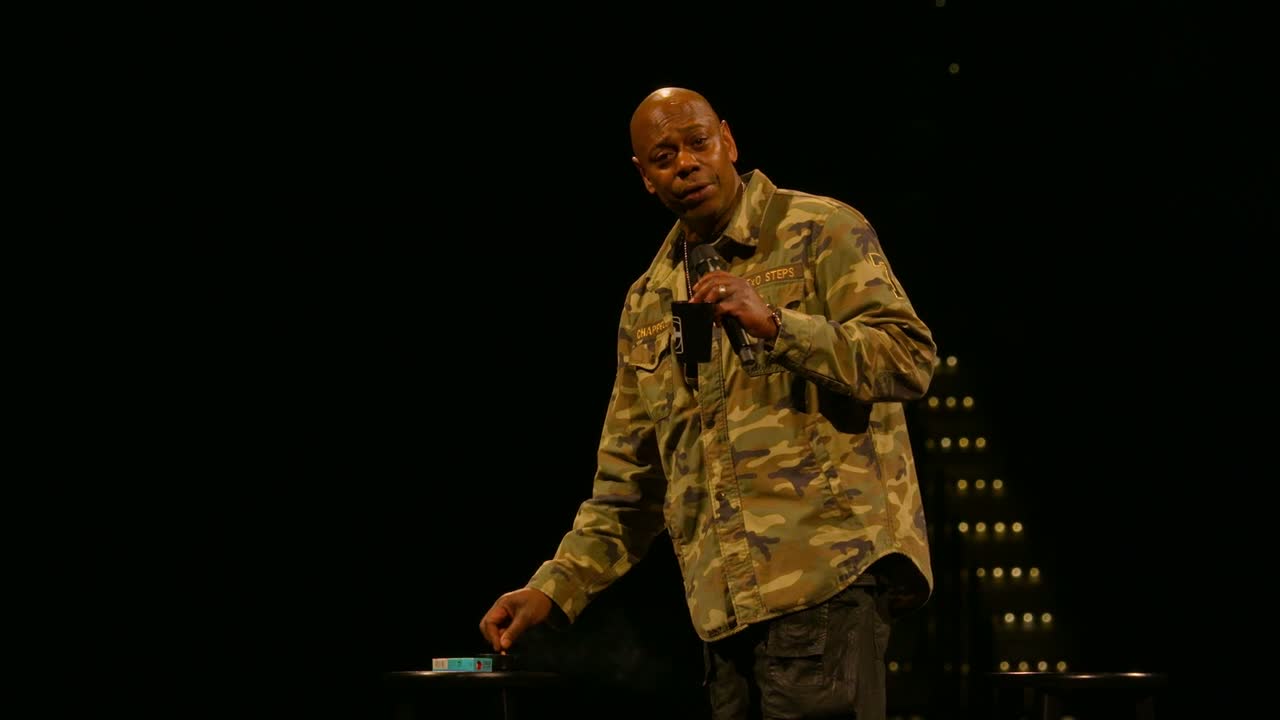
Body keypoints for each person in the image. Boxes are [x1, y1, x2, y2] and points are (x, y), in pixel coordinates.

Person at [480, 87, 937, 720]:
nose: (686, 165)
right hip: (724, 614)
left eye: (698, 143)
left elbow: (909, 358)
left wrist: (777, 325)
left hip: (826, 579)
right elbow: (628, 487)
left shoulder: (818, 229)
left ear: (728, 140)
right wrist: (553, 588)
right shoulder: (649, 300)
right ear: (645, 177)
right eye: (664, 156)